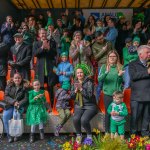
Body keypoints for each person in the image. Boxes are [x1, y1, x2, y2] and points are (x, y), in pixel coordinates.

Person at [71, 63, 98, 144]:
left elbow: (89, 95)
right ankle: (79, 135)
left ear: (84, 73)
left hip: (90, 105)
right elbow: (71, 96)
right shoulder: (74, 82)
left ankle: (89, 135)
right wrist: (75, 92)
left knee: (84, 120)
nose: (79, 74)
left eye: (81, 72)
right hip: (79, 105)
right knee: (75, 119)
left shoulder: (89, 81)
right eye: (78, 73)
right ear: (76, 74)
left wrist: (81, 89)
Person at [98, 50, 124, 133]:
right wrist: (106, 72)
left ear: (117, 58)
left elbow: (121, 81)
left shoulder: (120, 67)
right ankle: (107, 132)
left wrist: (120, 76)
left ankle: (116, 132)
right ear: (108, 58)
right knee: (108, 113)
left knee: (117, 114)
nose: (112, 58)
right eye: (110, 56)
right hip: (108, 94)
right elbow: (99, 79)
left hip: (117, 95)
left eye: (114, 56)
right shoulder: (104, 67)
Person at [33, 28, 58, 106]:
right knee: (41, 88)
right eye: (41, 33)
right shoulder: (36, 43)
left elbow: (55, 53)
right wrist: (42, 48)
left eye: (44, 33)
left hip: (50, 69)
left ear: (47, 34)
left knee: (51, 87)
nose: (43, 35)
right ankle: (42, 105)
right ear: (39, 35)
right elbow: (35, 54)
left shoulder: (52, 42)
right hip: (40, 69)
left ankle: (51, 105)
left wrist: (49, 48)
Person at [129, 45, 150, 137]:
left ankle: (145, 136)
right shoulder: (132, 64)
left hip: (149, 96)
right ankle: (133, 137)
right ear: (140, 54)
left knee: (147, 118)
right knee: (135, 119)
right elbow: (133, 76)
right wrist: (147, 72)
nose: (149, 54)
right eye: (147, 52)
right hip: (137, 97)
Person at [3, 73, 29, 143]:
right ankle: (9, 136)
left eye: (19, 78)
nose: (17, 79)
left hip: (20, 105)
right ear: (13, 79)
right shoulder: (9, 85)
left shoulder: (25, 86)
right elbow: (6, 96)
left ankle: (17, 135)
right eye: (15, 78)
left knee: (17, 115)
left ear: (21, 79)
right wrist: (14, 102)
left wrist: (19, 103)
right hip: (10, 105)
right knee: (5, 116)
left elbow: (26, 98)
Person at [92, 31, 113, 101]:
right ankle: (98, 102)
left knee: (111, 82)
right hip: (101, 65)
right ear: (96, 39)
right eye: (99, 39)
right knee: (100, 84)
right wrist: (103, 50)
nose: (102, 40)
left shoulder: (108, 42)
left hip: (111, 63)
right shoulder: (94, 45)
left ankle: (112, 101)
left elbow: (113, 51)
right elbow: (95, 57)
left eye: (102, 38)